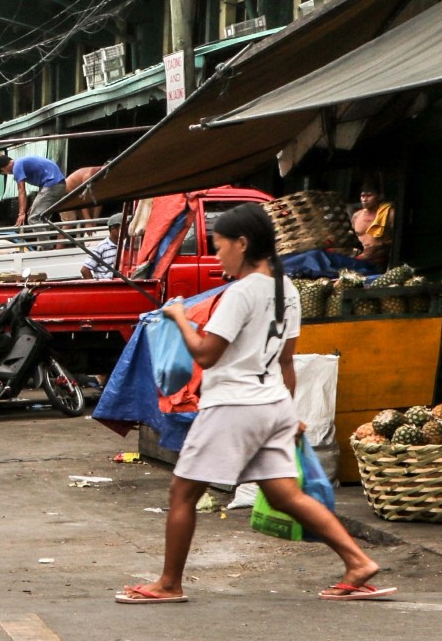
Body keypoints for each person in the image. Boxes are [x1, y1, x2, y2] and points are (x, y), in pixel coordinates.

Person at [118, 202, 386, 604]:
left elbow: (207, 354)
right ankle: (358, 562)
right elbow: (286, 361)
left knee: (182, 493)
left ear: (242, 244)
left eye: (221, 245)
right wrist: (291, 414)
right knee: (284, 494)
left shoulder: (241, 293)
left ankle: (169, 584)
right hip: (272, 403)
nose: (217, 255)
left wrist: (178, 318)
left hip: (233, 406)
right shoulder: (286, 289)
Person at [350, 180, 395, 268]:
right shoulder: (357, 215)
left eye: (369, 196)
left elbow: (397, 238)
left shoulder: (389, 213)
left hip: (377, 260)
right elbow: (351, 238)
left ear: (379, 196)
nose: (364, 199)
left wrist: (380, 245)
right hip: (356, 258)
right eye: (362, 196)